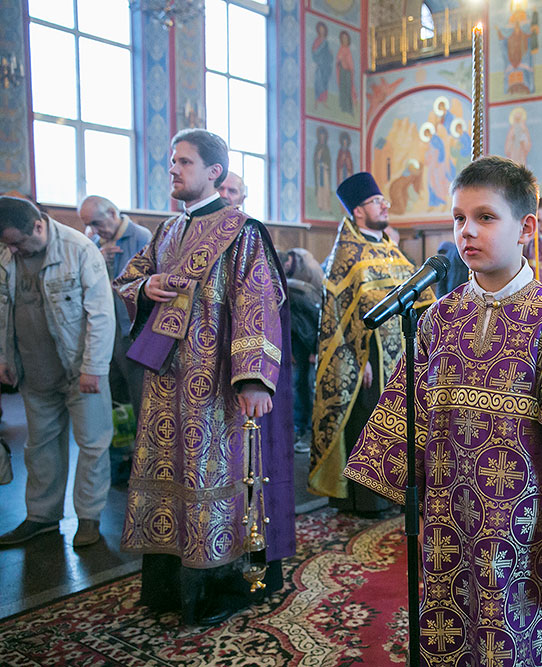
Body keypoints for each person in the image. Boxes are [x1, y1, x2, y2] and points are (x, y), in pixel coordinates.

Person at [344, 156, 542, 665]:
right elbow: (407, 413)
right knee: (453, 634)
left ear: (526, 228)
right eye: (458, 218)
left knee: (521, 639)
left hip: (527, 535)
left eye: (485, 217)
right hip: (448, 524)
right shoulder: (437, 320)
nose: (467, 230)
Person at [113, 129, 295, 625]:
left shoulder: (241, 231)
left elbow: (257, 301)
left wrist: (253, 377)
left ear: (214, 172)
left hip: (214, 380)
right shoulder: (167, 230)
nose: (173, 169)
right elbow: (128, 279)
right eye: (172, 161)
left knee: (214, 473)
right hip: (165, 379)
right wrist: (146, 286)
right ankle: (170, 586)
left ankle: (218, 588)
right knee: (168, 472)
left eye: (184, 162)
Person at [310, 172, 435, 514]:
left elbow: (419, 294)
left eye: (383, 200)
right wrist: (357, 358)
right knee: (368, 421)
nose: (385, 206)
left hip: (401, 355)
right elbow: (338, 315)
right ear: (359, 211)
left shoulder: (389, 249)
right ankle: (365, 501)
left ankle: (397, 491)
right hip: (367, 358)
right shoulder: (346, 254)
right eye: (377, 201)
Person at [0, 196, 114, 549]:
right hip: (34, 370)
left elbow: (101, 314)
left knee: (92, 444)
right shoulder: (7, 254)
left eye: (18, 243)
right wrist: (4, 358)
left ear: (38, 226)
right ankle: (42, 516)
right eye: (7, 244)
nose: (13, 251)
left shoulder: (79, 249)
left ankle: (89, 517)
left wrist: (93, 367)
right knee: (40, 446)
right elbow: (2, 310)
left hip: (80, 370)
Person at [77, 195, 152, 484]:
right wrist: (98, 258)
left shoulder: (141, 237)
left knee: (139, 397)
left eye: (97, 223)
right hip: (105, 334)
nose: (95, 231)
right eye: (89, 226)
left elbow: (147, 285)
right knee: (117, 400)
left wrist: (111, 280)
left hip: (133, 333)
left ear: (112, 213)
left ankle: (144, 461)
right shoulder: (95, 244)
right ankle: (123, 457)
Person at [281, 248, 324, 455]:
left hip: (310, 341)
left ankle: (308, 432)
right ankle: (300, 429)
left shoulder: (299, 287)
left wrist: (316, 348)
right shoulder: (290, 286)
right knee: (299, 384)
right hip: (299, 341)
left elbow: (317, 314)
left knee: (307, 385)